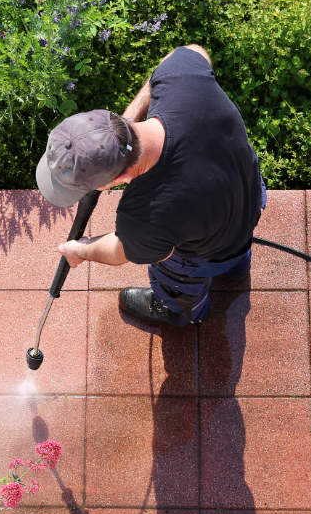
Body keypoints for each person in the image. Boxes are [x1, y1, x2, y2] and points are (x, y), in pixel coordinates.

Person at [35, 44, 267, 326]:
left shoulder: (146, 217)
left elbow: (121, 251)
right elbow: (192, 50)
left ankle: (178, 310)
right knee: (235, 245)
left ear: (118, 181)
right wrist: (127, 124)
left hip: (206, 248)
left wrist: (80, 251)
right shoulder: (180, 77)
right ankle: (237, 267)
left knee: (176, 271)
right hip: (249, 195)